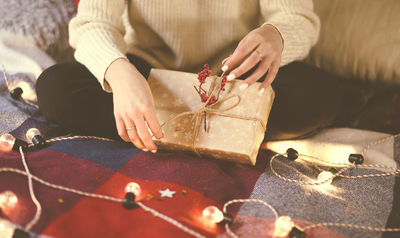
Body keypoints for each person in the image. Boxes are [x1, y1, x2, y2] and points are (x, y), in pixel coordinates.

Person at [36, 0, 344, 153]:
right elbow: (92, 23)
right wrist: (118, 72)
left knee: (320, 93)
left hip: (233, 73)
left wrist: (275, 35)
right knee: (55, 87)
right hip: (148, 70)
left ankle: (156, 127)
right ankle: (223, 134)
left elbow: (297, 18)